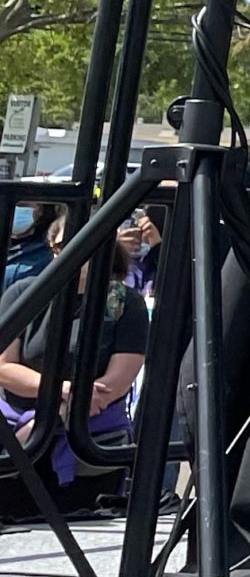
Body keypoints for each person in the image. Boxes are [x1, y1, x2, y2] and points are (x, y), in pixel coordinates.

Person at [0, 212, 150, 506]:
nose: (68, 255)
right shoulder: (22, 293)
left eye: (81, 246)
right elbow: (4, 367)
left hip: (89, 441)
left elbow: (116, 383)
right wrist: (63, 390)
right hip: (16, 435)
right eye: (60, 246)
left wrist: (59, 411)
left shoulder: (125, 303)